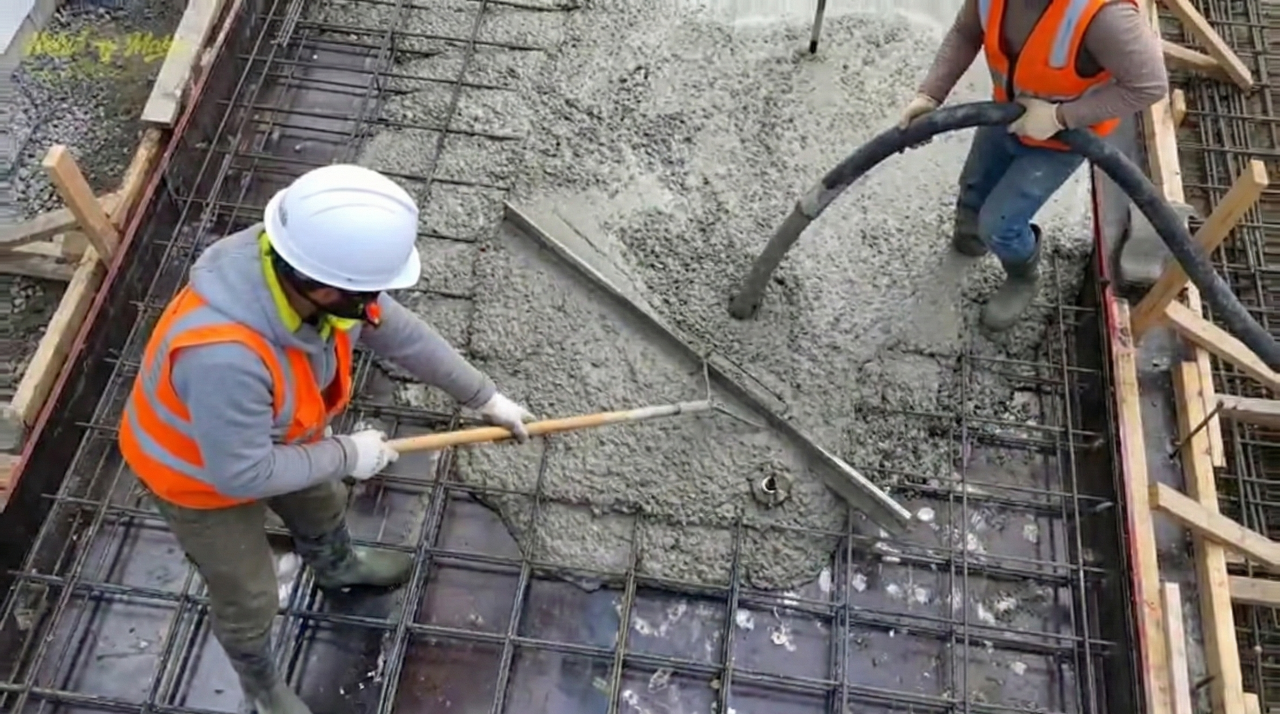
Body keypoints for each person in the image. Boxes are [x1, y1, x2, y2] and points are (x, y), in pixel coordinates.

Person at [118, 164, 535, 714]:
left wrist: (483, 397)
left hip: (277, 438)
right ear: (324, 287)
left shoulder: (301, 270)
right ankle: (262, 687)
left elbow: (401, 335)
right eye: (368, 292)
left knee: (323, 500)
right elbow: (239, 473)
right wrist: (347, 453)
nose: (376, 304)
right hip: (195, 477)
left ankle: (336, 566)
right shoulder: (224, 355)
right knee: (250, 594)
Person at [898, 0, 1167, 330]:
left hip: (1059, 143)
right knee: (974, 185)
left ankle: (1022, 276)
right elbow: (966, 32)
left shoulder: (1105, 17)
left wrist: (1060, 117)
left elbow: (1149, 85)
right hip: (1004, 114)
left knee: (1000, 225)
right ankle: (970, 236)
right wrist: (930, 96)